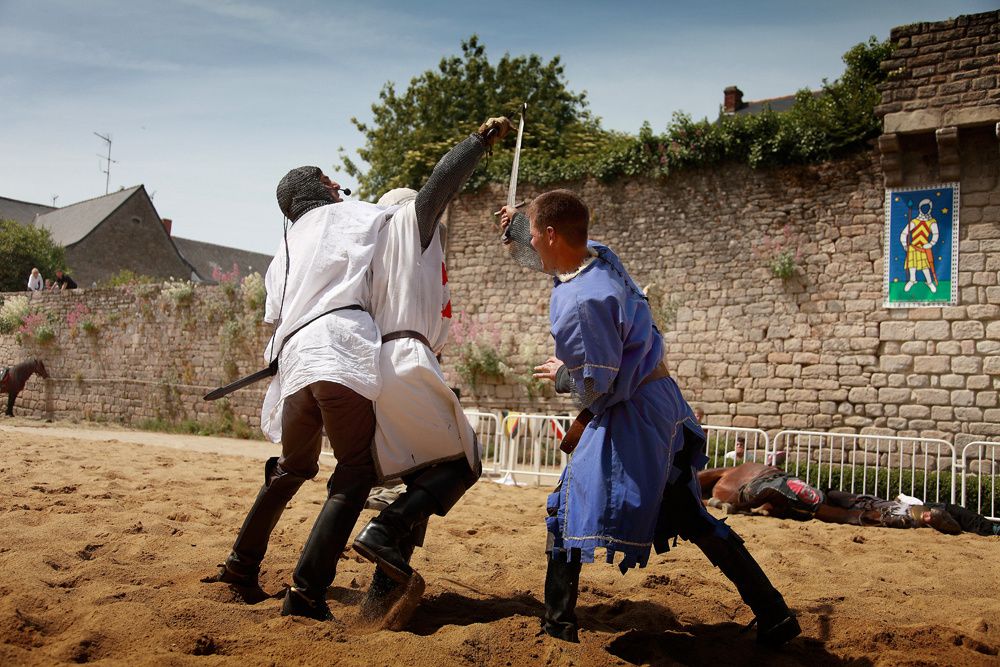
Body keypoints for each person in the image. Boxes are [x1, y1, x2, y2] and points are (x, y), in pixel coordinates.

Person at [499, 190, 799, 647]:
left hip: (632, 416)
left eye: (535, 235)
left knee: (564, 512)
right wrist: (520, 226)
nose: (532, 244)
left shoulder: (584, 302)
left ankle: (557, 627)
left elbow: (598, 386)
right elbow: (553, 258)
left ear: (554, 234)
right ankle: (774, 613)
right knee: (690, 516)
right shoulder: (602, 258)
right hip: (662, 404)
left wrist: (563, 376)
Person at [207, 166, 391, 621]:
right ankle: (307, 593)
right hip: (336, 353)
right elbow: (406, 216)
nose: (338, 187)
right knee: (353, 471)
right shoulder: (350, 216)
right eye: (332, 182)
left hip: (295, 364)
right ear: (323, 190)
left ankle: (240, 566)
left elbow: (280, 314)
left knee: (293, 467)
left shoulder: (282, 252)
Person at [350, 116, 512, 627]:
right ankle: (383, 532)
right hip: (404, 361)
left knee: (423, 476)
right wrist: (478, 143)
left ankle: (384, 590)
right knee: (466, 461)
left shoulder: (371, 257)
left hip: (380, 364)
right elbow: (440, 184)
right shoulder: (406, 227)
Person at [699, 462, 998, 536]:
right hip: (782, 487)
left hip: (782, 488)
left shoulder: (755, 482)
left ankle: (986, 528)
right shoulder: (756, 481)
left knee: (820, 499)